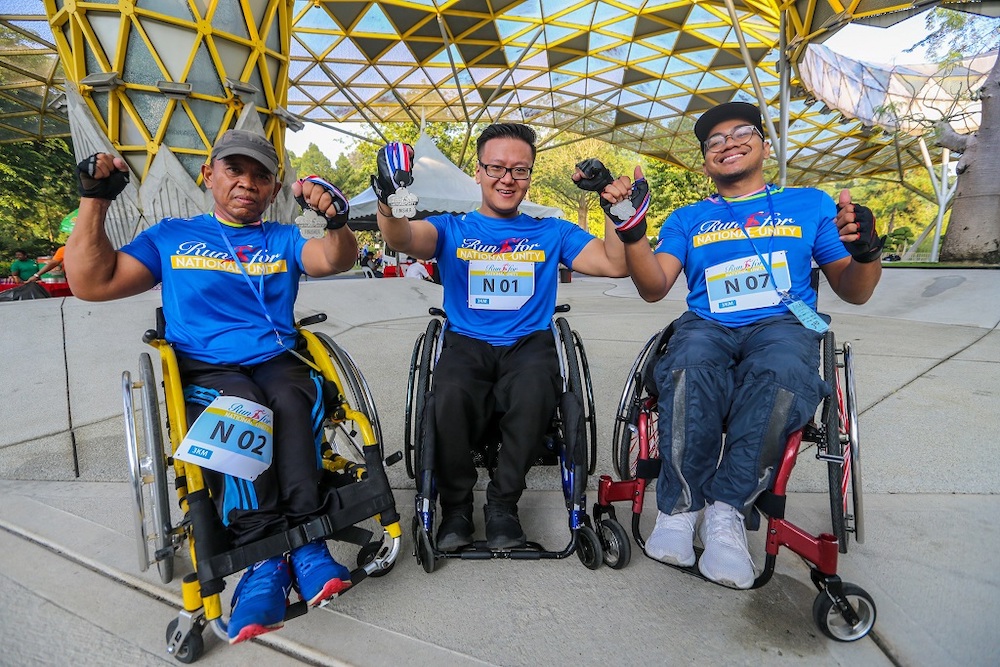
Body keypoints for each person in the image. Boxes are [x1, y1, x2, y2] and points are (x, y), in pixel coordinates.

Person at [64, 130, 360, 643]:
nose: (247, 183)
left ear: (274, 188)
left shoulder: (283, 238)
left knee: (294, 397)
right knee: (242, 408)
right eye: (235, 170)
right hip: (204, 368)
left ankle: (309, 544)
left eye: (260, 175)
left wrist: (336, 224)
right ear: (209, 174)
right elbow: (92, 283)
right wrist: (95, 201)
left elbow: (334, 260)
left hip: (277, 357)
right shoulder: (172, 236)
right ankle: (263, 558)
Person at [622, 102, 882, 589]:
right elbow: (654, 286)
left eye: (741, 132)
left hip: (783, 325)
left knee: (782, 371)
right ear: (704, 160)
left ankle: (726, 511)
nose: (728, 143)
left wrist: (866, 252)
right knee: (688, 363)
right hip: (709, 323)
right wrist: (633, 232)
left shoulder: (811, 204)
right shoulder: (688, 217)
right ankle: (679, 509)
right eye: (714, 141)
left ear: (764, 144)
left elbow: (856, 289)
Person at [373, 123, 642, 550]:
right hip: (467, 339)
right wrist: (390, 203)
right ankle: (457, 507)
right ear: (477, 172)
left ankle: (502, 504)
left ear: (530, 176)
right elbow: (402, 237)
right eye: (496, 167)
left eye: (519, 170)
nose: (507, 178)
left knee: (539, 388)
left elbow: (614, 264)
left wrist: (613, 205)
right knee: (447, 393)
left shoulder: (552, 231)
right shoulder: (451, 228)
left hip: (528, 343)